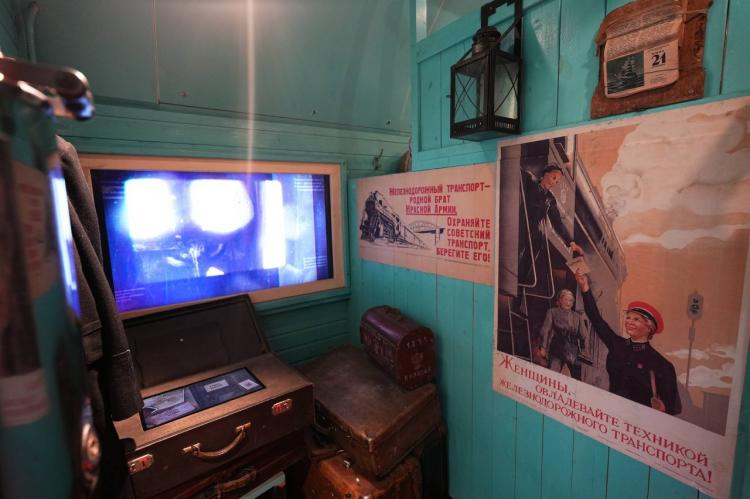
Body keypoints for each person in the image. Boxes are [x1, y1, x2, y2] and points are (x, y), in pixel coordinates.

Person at [574, 269, 681, 415]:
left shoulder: (662, 365)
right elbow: (596, 318)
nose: (629, 321)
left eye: (636, 319)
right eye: (628, 317)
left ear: (650, 327)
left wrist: (663, 408)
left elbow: (673, 408)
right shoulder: (617, 344)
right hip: (612, 413)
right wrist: (585, 287)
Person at [518, 165, 583, 288]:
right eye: (554, 178)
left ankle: (519, 291)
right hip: (519, 227)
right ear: (545, 174)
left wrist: (571, 242)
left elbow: (557, 223)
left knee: (527, 264)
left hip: (533, 235)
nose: (554, 183)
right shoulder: (530, 182)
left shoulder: (550, 199)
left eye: (557, 181)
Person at [538, 289, 585, 380]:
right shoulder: (552, 312)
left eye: (571, 300)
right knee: (552, 375)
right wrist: (543, 347)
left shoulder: (577, 317)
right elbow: (545, 330)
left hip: (573, 351)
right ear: (560, 300)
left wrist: (583, 351)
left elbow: (584, 336)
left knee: (578, 379)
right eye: (566, 299)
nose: (568, 303)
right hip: (557, 349)